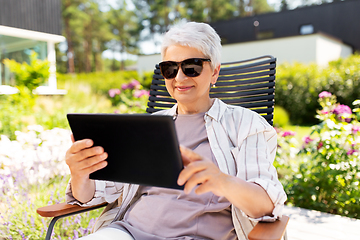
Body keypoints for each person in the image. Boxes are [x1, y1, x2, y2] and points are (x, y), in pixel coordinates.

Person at [65, 22, 287, 240]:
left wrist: (222, 181)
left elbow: (265, 205)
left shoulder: (247, 125)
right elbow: (91, 194)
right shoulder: (148, 127)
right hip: (127, 233)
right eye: (170, 69)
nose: (179, 78)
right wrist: (80, 173)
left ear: (215, 73)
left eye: (192, 67)